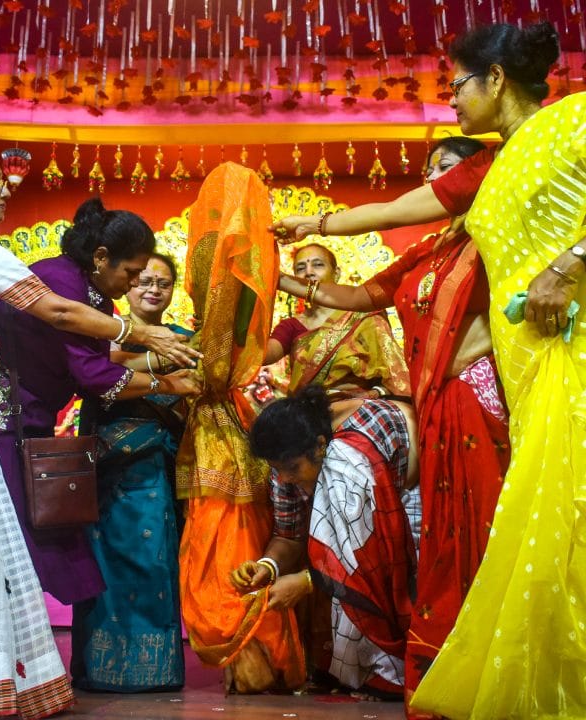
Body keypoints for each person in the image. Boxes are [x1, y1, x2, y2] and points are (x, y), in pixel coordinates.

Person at [273, 21, 584, 718]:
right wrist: (314, 226)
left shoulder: (573, 121)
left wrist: (568, 267)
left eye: (458, 86)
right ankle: (529, 672)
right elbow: (395, 212)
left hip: (560, 354)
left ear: (496, 80)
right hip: (523, 369)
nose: (450, 101)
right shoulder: (490, 167)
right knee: (538, 526)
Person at [0, 136, 199, 720]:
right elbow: (64, 325)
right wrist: (145, 340)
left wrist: (144, 355)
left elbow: (82, 353)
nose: (5, 188)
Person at [275, 137, 510, 703]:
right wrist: (272, 277)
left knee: (483, 528)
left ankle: (498, 660)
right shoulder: (432, 250)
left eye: (445, 170)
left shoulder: (499, 236)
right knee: (441, 536)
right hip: (435, 405)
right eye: (428, 172)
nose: (434, 180)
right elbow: (360, 294)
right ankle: (443, 656)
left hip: (478, 397)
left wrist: (315, 222)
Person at [0, 198, 198, 609]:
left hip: (33, 421)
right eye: (133, 273)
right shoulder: (61, 281)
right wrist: (169, 383)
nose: (137, 284)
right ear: (102, 258)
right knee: (15, 544)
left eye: (153, 278)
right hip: (4, 422)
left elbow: (98, 365)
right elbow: (95, 376)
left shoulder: (98, 298)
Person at [175, 162, 306, 693]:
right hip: (235, 426)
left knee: (218, 543)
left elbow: (212, 354)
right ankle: (260, 661)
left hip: (217, 428)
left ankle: (247, 661)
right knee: (239, 536)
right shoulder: (259, 260)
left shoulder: (215, 257)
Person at [239, 386, 421, 697]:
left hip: (414, 501)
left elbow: (369, 549)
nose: (284, 478)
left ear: (320, 446)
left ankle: (394, 670)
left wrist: (308, 581)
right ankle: (370, 670)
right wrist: (267, 566)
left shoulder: (355, 446)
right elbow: (288, 534)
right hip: (370, 527)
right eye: (277, 470)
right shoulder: (289, 462)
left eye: (292, 469)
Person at [72, 253, 191, 692]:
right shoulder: (102, 331)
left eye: (163, 282)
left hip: (153, 471)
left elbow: (192, 390)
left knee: (151, 563)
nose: (153, 289)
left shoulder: (184, 339)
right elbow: (92, 375)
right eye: (144, 281)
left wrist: (134, 365)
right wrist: (157, 362)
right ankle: (96, 669)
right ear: (128, 285)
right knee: (100, 568)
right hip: (104, 472)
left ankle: (154, 671)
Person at [264, 244, 410, 399]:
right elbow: (264, 356)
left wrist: (373, 394)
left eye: (318, 265)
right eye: (300, 268)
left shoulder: (364, 314)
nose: (308, 272)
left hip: (364, 407)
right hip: (311, 412)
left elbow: (394, 373)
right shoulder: (291, 326)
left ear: (337, 273)